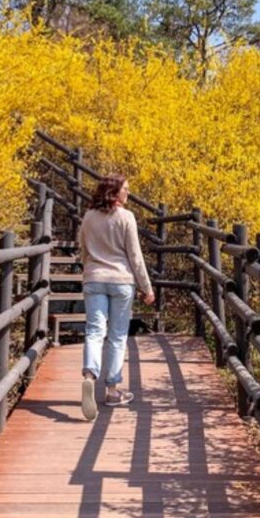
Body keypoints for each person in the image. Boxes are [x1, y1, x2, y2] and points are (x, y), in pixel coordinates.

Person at [79, 174, 155, 420]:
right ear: (113, 192)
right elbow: (135, 255)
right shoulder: (126, 217)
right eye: (125, 189)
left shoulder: (89, 217)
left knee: (94, 330)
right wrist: (147, 287)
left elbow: (83, 248)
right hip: (121, 280)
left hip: (94, 278)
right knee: (117, 335)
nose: (128, 194)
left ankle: (90, 374)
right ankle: (112, 390)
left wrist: (88, 271)